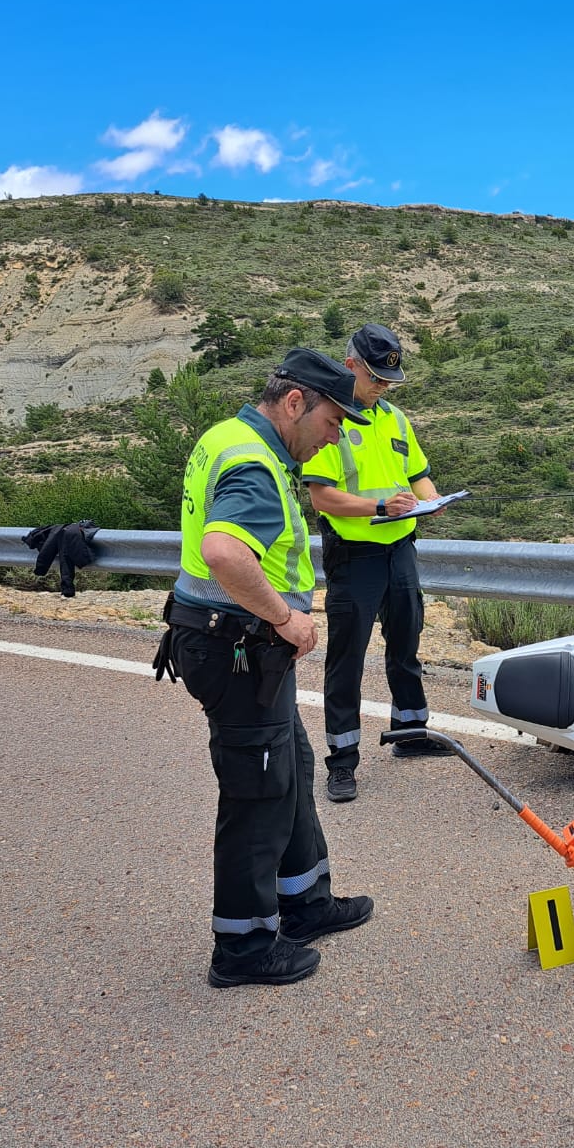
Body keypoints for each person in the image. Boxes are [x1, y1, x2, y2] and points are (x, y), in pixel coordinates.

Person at [156, 347, 375, 988]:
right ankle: (244, 947)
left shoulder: (231, 437)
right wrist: (285, 618)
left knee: (291, 768)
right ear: (294, 403)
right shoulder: (255, 463)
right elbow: (223, 551)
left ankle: (304, 903)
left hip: (240, 647)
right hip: (238, 647)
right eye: (333, 422)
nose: (334, 439)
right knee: (258, 792)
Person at [302, 322, 450, 804]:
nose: (385, 385)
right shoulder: (331, 420)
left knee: (406, 644)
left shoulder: (396, 419)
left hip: (400, 549)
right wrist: (379, 508)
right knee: (347, 661)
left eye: (390, 378)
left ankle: (410, 734)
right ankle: (341, 762)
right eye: (376, 377)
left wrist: (433, 500)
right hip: (356, 556)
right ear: (350, 366)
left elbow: (418, 475)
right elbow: (322, 497)